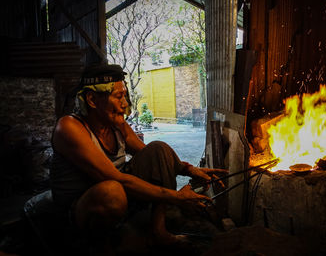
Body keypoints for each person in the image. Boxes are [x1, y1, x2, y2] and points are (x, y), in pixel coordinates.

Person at [50, 64, 226, 250]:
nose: (125, 103)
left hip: (119, 193)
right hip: (80, 208)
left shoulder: (116, 124)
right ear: (92, 100)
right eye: (118, 97)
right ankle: (98, 247)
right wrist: (177, 197)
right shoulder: (69, 127)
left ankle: (159, 232)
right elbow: (116, 179)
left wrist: (189, 169)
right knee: (112, 192)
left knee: (159, 148)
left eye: (124, 96)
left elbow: (155, 157)